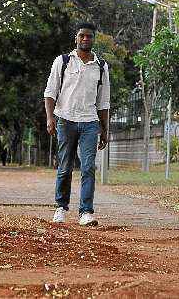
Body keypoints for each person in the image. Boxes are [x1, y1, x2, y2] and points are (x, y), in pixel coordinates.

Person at [44, 22, 110, 226]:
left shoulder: (101, 66)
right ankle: (61, 207)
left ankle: (86, 212)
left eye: (89, 36)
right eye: (82, 36)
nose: (85, 39)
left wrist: (105, 130)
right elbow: (50, 92)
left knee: (89, 167)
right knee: (65, 167)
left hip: (90, 122)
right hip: (65, 120)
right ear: (76, 38)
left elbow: (103, 102)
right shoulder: (63, 61)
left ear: (93, 39)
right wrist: (50, 117)